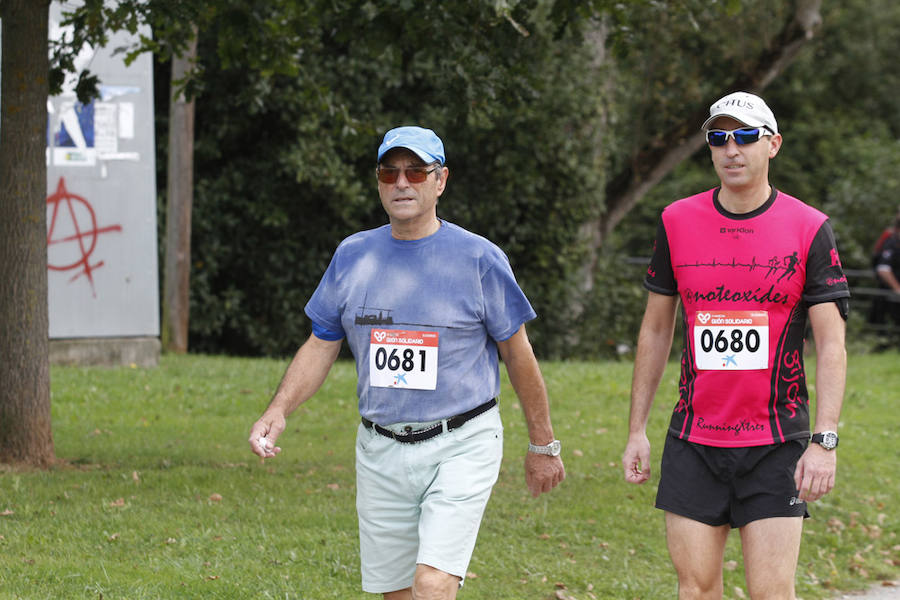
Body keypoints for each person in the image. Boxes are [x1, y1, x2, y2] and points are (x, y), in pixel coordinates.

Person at [248, 125, 565, 600]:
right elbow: (321, 343)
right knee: (397, 593)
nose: (401, 183)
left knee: (433, 584)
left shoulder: (480, 259)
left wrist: (542, 444)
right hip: (380, 448)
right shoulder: (353, 255)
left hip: (462, 441)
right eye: (389, 171)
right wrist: (278, 409)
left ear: (440, 181)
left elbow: (518, 355)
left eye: (416, 172)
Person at [621, 91, 850, 600]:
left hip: (775, 441)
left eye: (745, 136)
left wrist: (825, 440)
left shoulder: (809, 227)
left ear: (773, 145)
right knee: (696, 589)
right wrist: (637, 429)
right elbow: (656, 330)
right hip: (694, 439)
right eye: (719, 137)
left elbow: (831, 343)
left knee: (771, 591)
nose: (731, 148)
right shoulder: (676, 220)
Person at [870, 211, 900, 327]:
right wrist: (898, 289)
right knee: (885, 328)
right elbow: (883, 269)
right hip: (888, 295)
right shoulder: (891, 242)